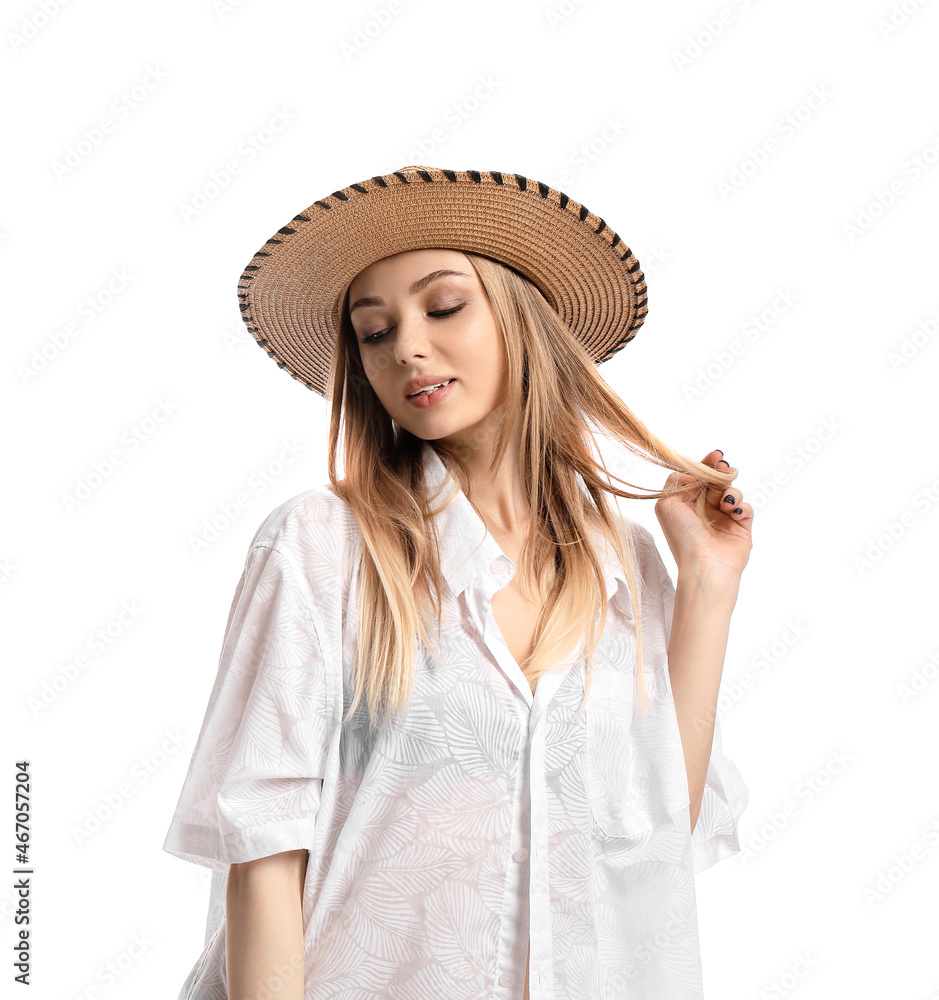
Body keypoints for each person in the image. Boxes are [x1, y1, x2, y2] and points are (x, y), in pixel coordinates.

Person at [162, 164, 751, 1000]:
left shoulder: (622, 565)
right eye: (373, 332)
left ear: (523, 322)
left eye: (442, 308)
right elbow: (262, 845)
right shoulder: (320, 549)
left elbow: (650, 837)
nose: (405, 346)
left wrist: (707, 585)